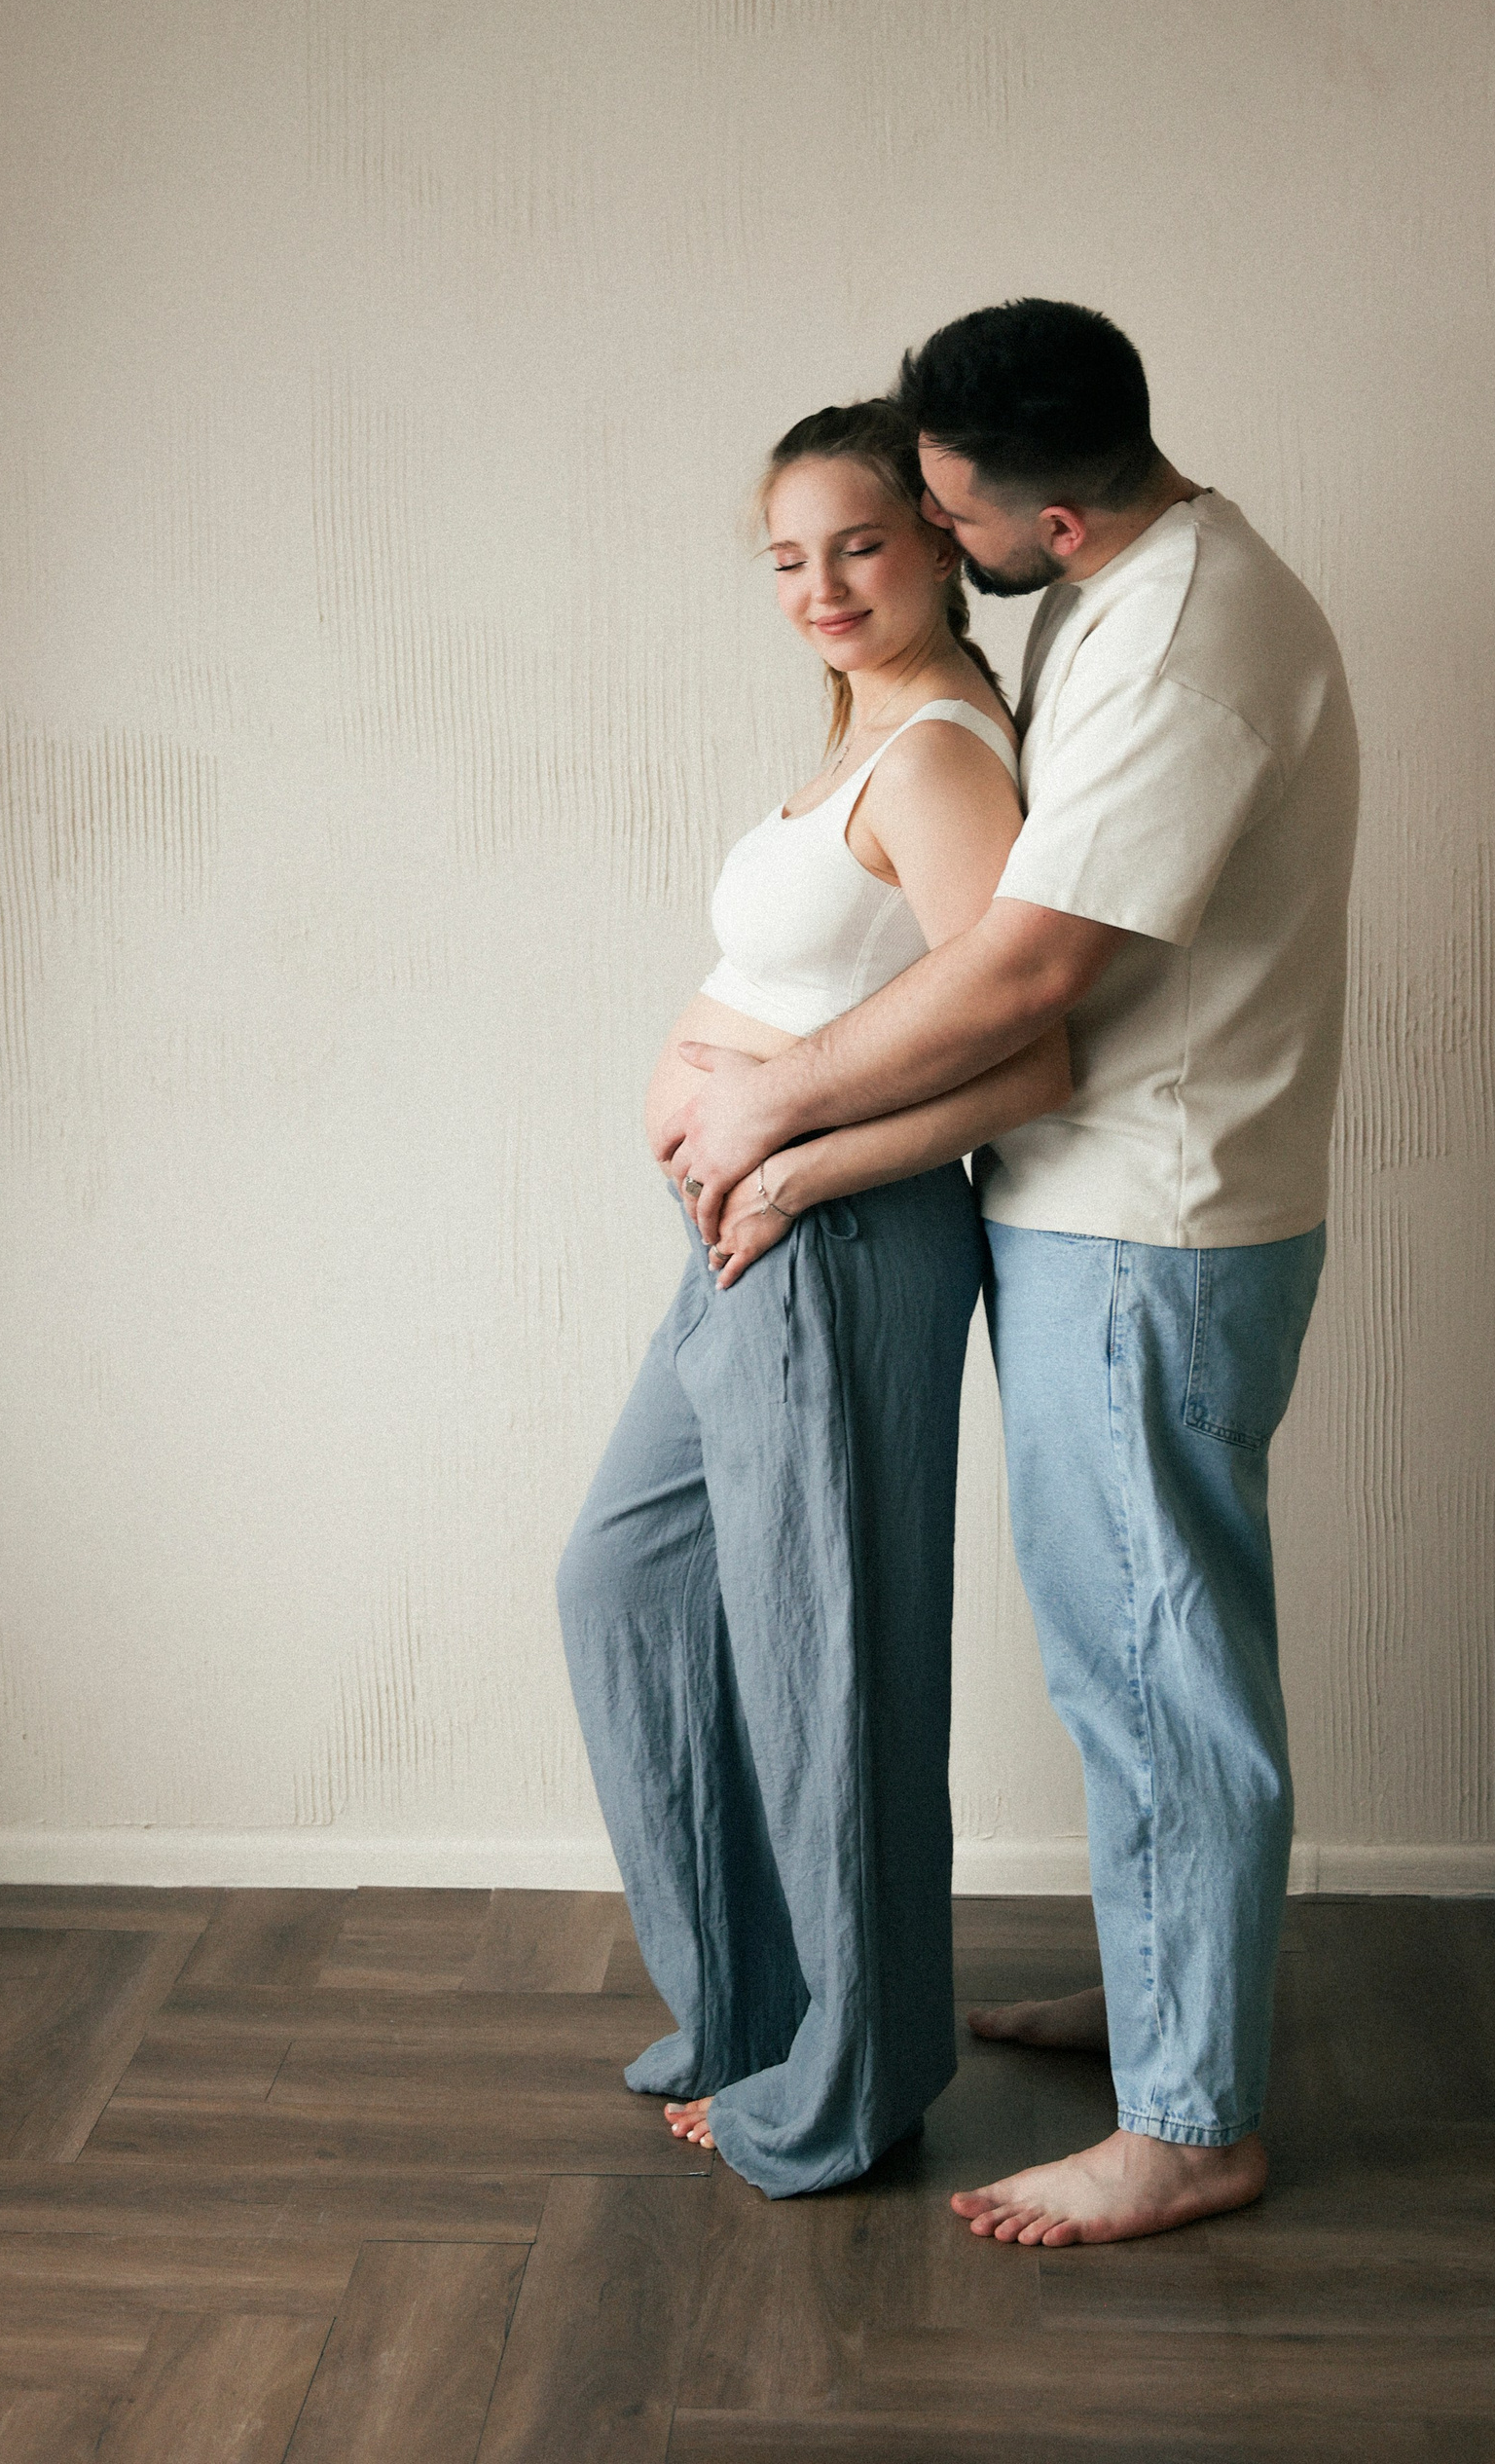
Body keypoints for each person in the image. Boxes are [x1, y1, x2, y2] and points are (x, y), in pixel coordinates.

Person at [658, 300, 1359, 2246]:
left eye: (947, 518)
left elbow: (1034, 966)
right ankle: (1163, 2010)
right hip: (1112, 1206)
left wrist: (778, 1102)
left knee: (1155, 1668)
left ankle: (1192, 2123)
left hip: (1151, 1222)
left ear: (1052, 520)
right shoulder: (1125, 586)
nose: (935, 549)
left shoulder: (1189, 640)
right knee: (1125, 1650)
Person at [557, 399, 1071, 2198]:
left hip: (828, 1242)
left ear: (936, 541)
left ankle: (851, 2079)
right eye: (788, 557)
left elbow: (1032, 1054)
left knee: (824, 1665)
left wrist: (792, 1169)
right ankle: (756, 2007)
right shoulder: (862, 736)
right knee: (629, 1579)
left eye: (858, 543)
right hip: (748, 1238)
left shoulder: (937, 757)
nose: (821, 585)